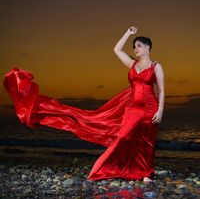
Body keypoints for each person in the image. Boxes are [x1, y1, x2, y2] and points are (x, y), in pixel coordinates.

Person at [3, 26, 164, 183]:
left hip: (151, 108)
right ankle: (106, 169)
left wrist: (160, 111)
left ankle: (146, 173)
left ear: (147, 48)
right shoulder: (132, 64)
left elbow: (162, 91)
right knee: (122, 138)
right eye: (134, 46)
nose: (135, 49)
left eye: (139, 46)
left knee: (146, 142)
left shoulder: (156, 66)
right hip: (133, 109)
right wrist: (127, 33)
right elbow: (117, 49)